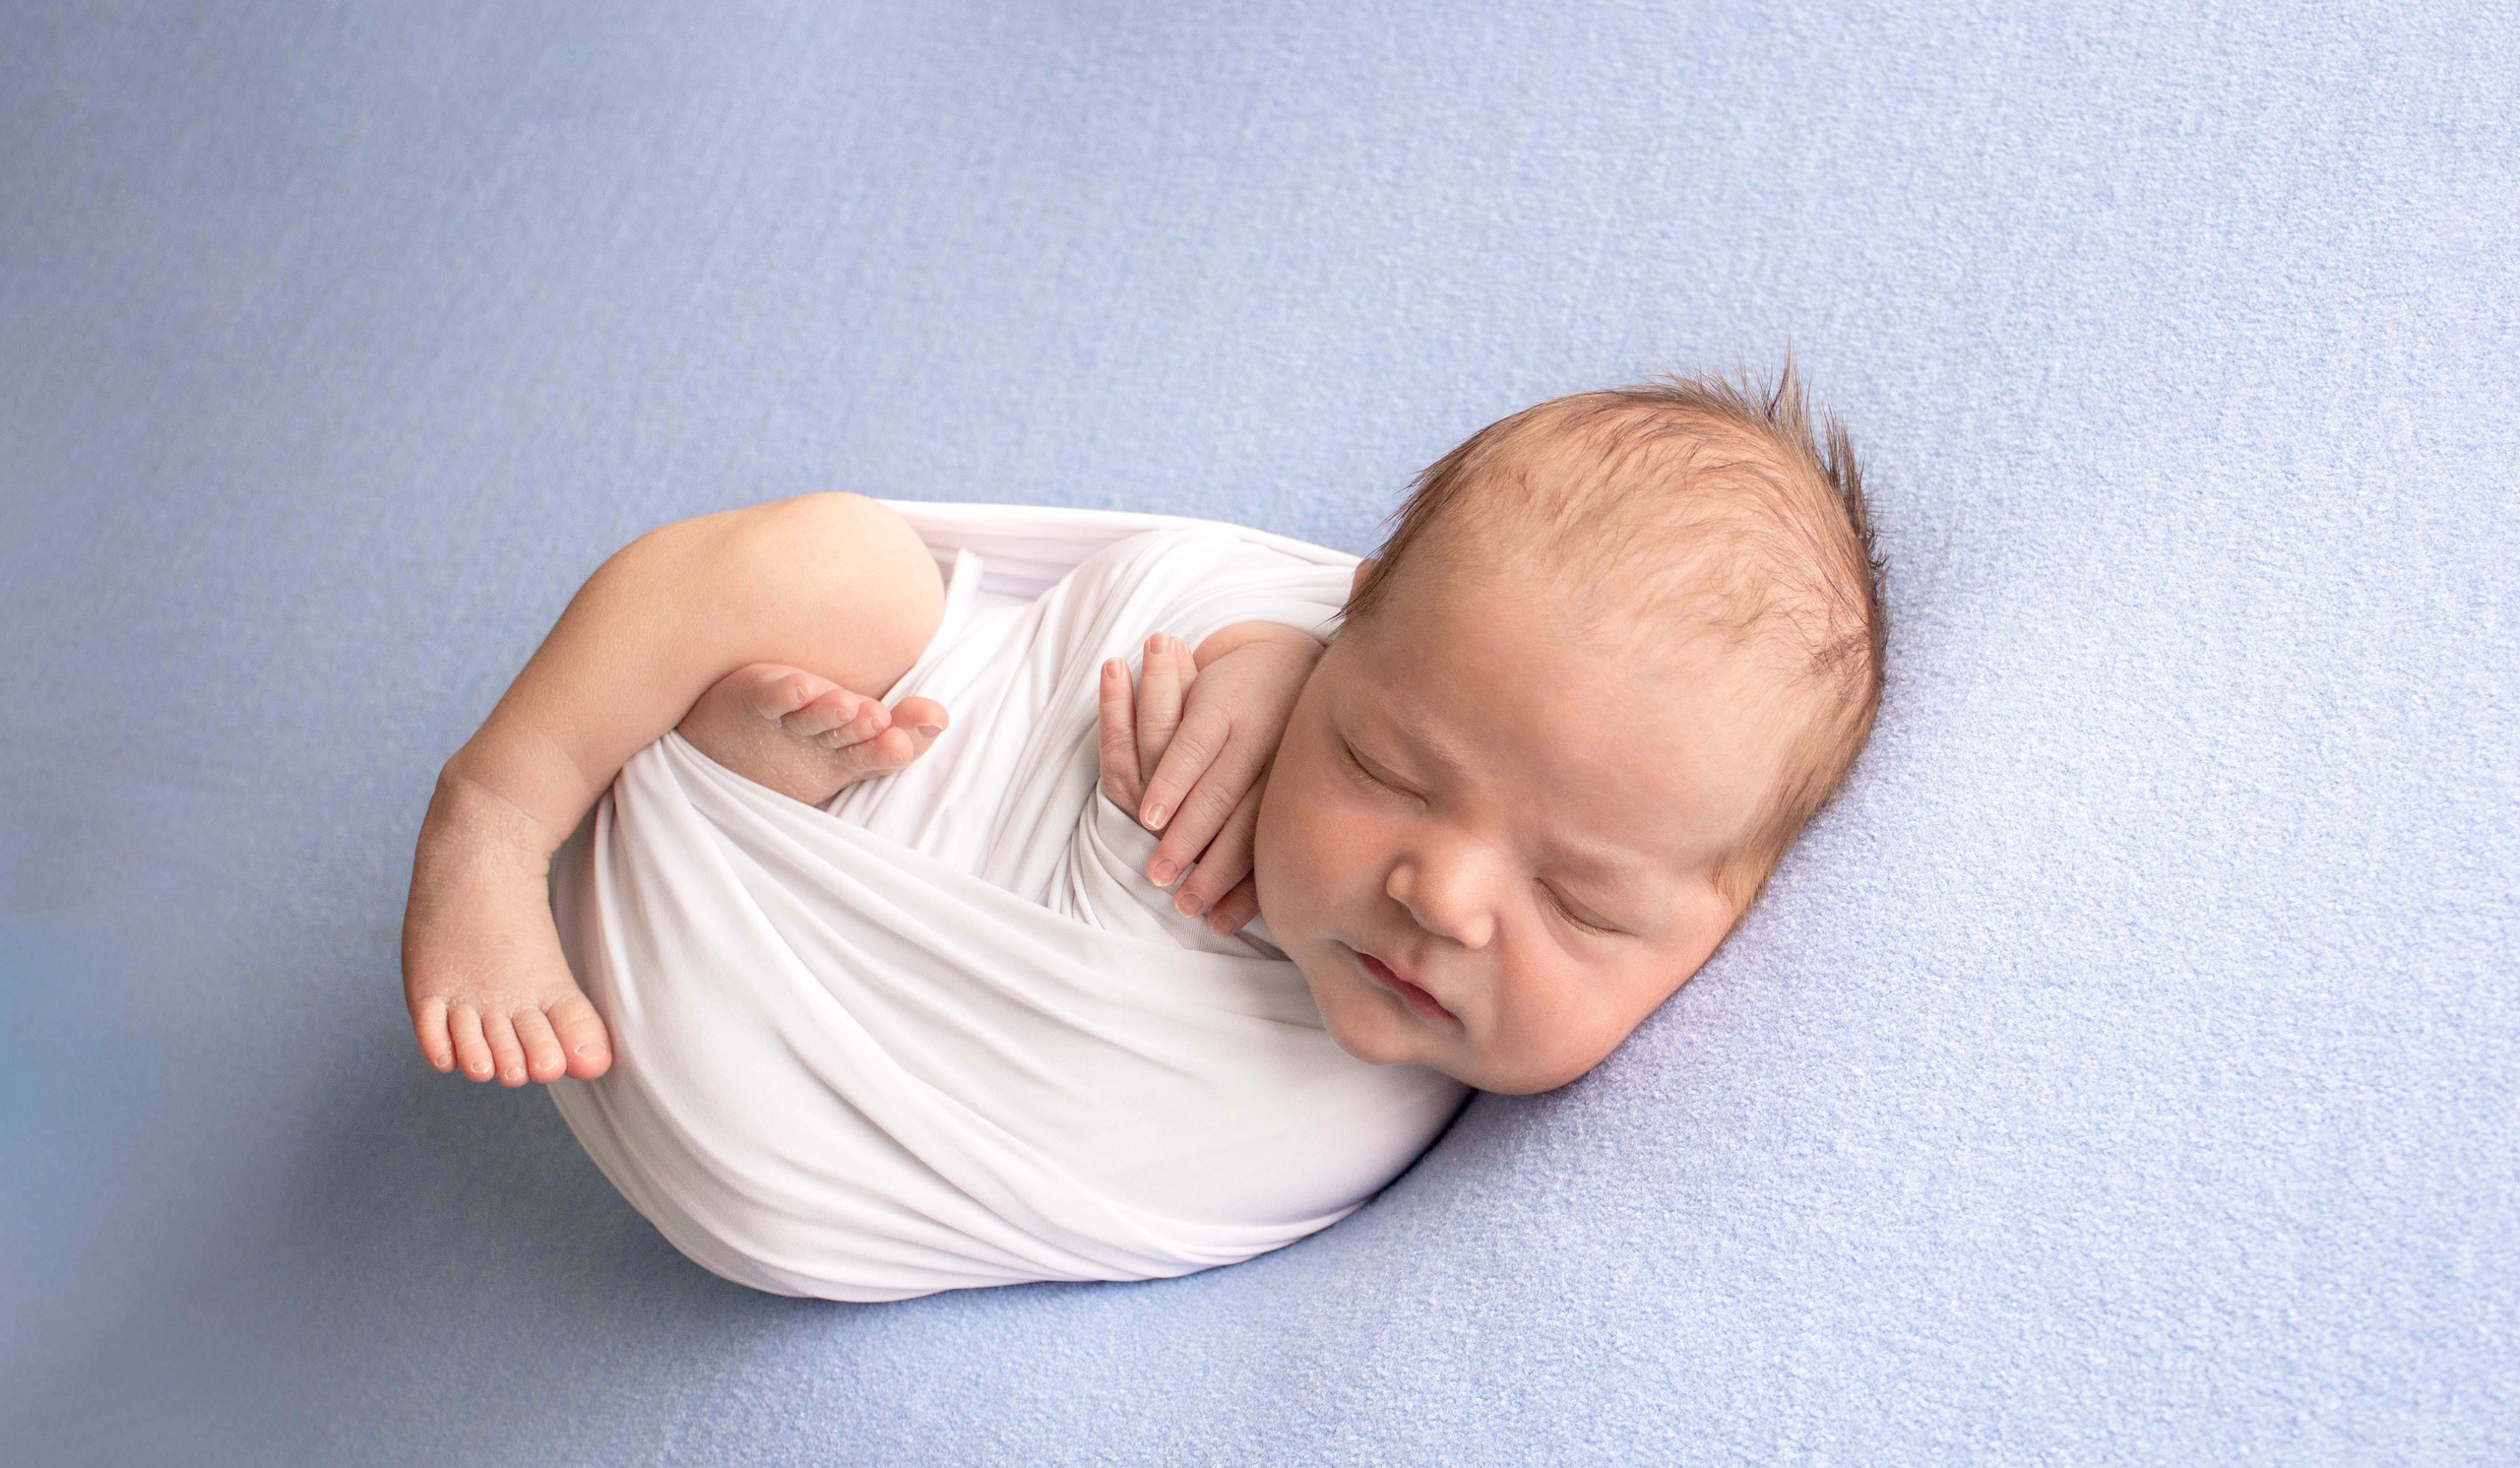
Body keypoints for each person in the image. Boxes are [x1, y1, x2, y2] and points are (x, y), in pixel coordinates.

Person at [402, 365, 1886, 1098]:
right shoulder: (1294, 653)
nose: (1441, 892)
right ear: (1352, 632)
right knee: (836, 570)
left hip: (783, 1015)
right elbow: (1188, 597)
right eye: (1383, 765)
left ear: (1725, 918)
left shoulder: (1376, 1108)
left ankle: (751, 792)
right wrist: (1258, 659)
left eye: (1580, 897)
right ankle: (502, 812)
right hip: (939, 723)